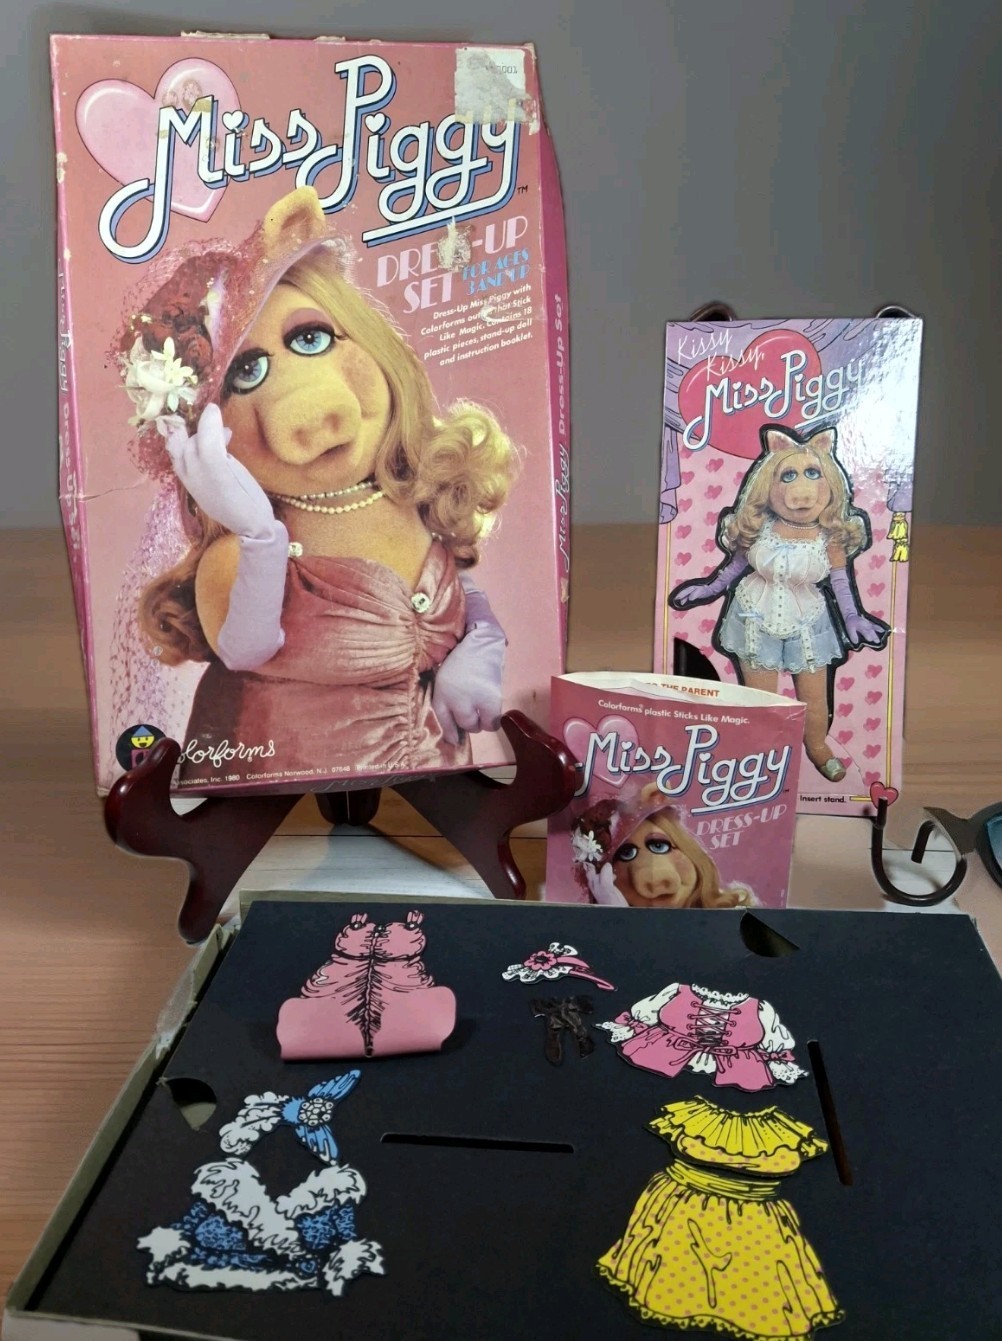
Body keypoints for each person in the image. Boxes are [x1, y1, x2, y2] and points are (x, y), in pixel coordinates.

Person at [118, 187, 515, 786]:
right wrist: (259, 534)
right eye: (244, 374)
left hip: (430, 765)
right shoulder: (241, 554)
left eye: (311, 337)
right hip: (273, 775)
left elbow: (455, 580)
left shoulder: (403, 494)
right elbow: (246, 650)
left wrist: (481, 643)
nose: (305, 410)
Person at [669, 425, 888, 782]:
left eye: (813, 473)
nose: (801, 490)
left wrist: (852, 617)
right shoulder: (760, 527)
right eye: (788, 475)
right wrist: (710, 587)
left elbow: (840, 579)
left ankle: (816, 745)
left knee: (814, 698)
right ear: (768, 483)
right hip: (754, 615)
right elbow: (735, 566)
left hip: (810, 620)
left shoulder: (830, 536)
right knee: (760, 698)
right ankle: (760, 754)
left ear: (830, 483)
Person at [570, 784, 754, 908]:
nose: (654, 881)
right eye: (625, 853)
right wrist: (618, 919)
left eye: (659, 845)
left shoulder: (731, 911)